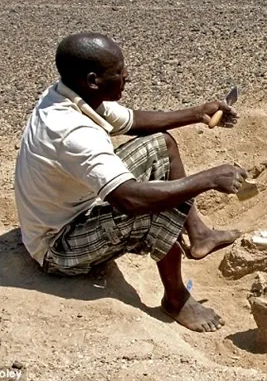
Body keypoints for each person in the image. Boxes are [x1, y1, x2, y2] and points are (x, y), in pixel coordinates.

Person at [15, 32, 248, 332]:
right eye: (119, 71)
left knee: (161, 144)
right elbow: (130, 200)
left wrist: (197, 113)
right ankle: (176, 298)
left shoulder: (74, 95)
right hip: (58, 246)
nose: (127, 75)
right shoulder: (71, 132)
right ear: (93, 80)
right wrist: (209, 178)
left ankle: (199, 234)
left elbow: (135, 122)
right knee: (155, 206)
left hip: (76, 205)